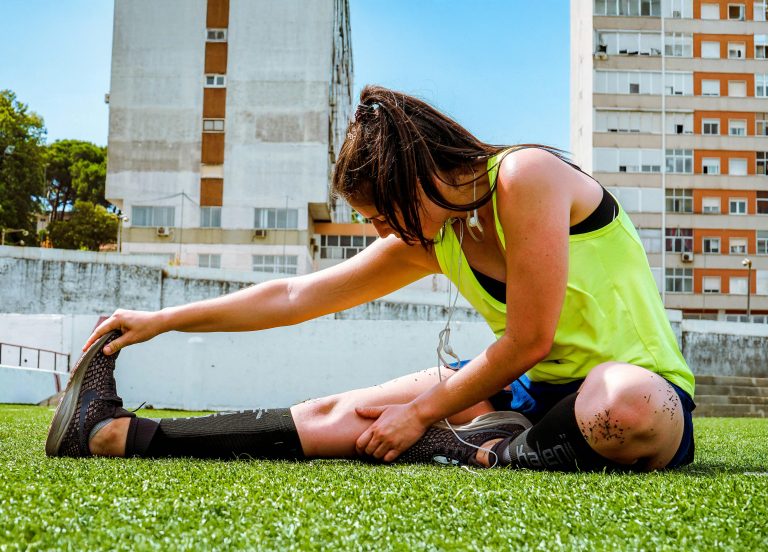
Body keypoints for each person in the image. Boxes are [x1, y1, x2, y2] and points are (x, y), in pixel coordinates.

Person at [46, 85, 695, 472]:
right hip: (528, 392)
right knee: (349, 415)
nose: (384, 232)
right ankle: (118, 434)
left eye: (384, 212)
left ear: (419, 176)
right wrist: (162, 321)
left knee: (622, 406)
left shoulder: (526, 177)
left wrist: (420, 414)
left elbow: (527, 337)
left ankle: (496, 450)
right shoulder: (432, 236)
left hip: (634, 392)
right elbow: (296, 295)